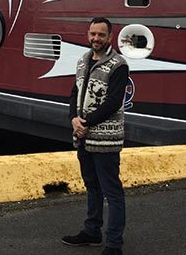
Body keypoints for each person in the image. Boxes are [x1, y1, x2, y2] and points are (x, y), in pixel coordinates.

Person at [62, 17, 129, 255]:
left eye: (101, 35)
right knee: (92, 186)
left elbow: (113, 103)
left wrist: (86, 122)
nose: (95, 39)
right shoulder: (83, 61)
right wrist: (73, 119)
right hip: (83, 136)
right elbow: (74, 93)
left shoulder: (118, 65)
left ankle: (114, 245)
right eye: (92, 34)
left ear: (110, 37)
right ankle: (92, 231)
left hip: (106, 139)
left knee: (112, 192)